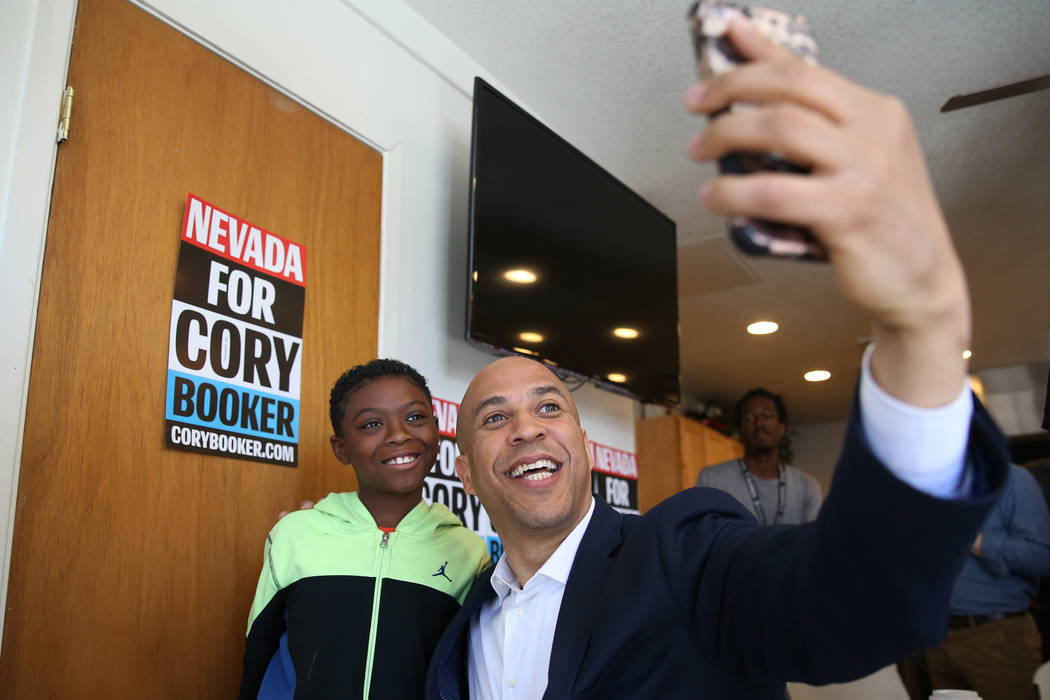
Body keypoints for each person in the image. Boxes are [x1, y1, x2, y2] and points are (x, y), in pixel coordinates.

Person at [424, 17, 1009, 700]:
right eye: (495, 418)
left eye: (549, 406)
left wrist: (924, 324)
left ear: (582, 446)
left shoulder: (683, 551)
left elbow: (850, 603)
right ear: (464, 471)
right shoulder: (457, 641)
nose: (528, 427)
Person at [237, 359, 491, 699]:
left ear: (436, 429)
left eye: (415, 417)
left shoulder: (467, 552)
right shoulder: (294, 535)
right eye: (372, 424)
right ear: (341, 448)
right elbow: (259, 659)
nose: (399, 434)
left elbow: (470, 674)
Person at [922, 463, 1050, 700]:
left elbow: (1043, 558)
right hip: (938, 639)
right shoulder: (928, 487)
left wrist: (976, 541)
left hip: (997, 638)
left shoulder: (1013, 480)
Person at [696, 388, 822, 524]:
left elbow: (814, 542)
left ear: (782, 428)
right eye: (749, 418)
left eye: (767, 416)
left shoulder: (808, 487)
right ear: (740, 430)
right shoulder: (712, 479)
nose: (759, 423)